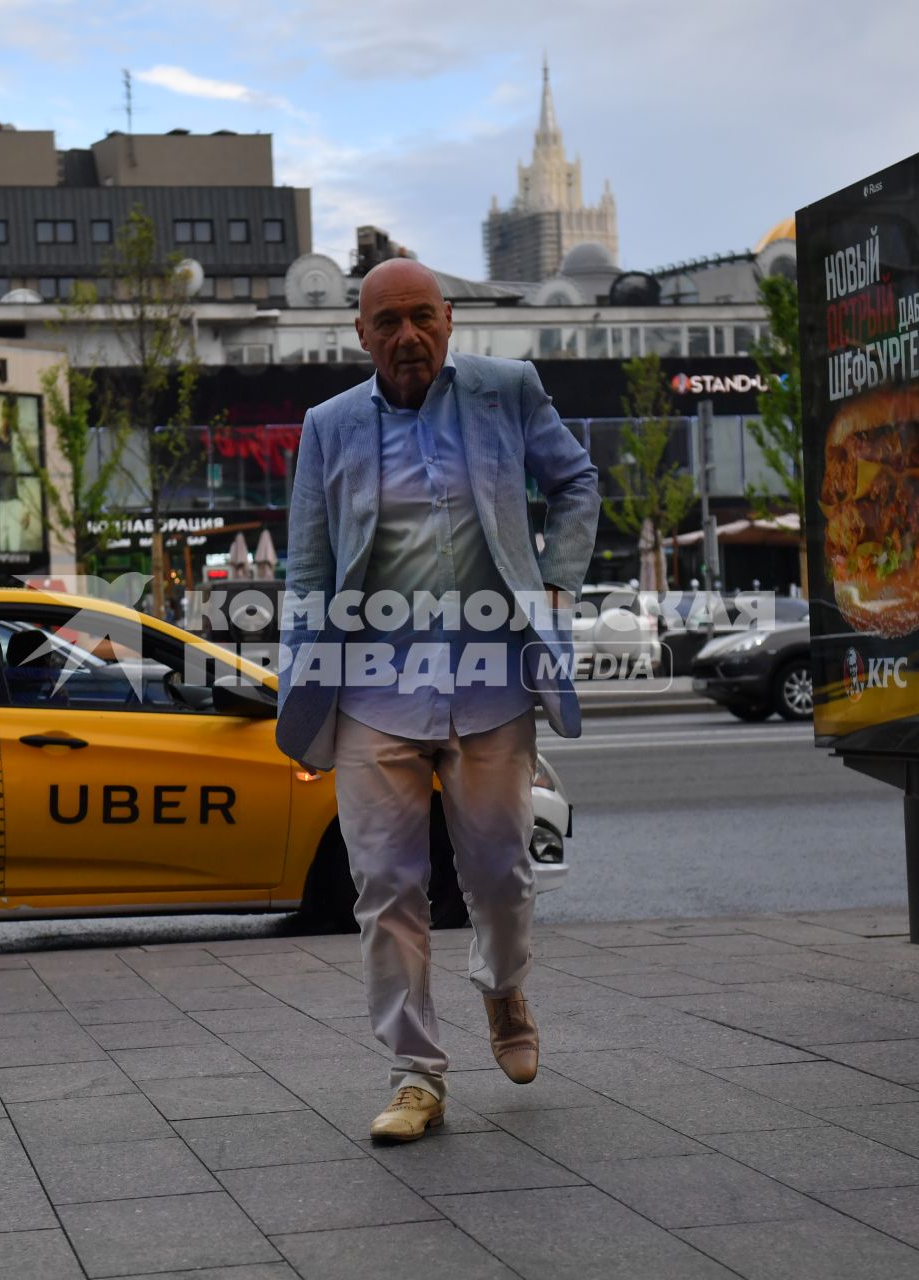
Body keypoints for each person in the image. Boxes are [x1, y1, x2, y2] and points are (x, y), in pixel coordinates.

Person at [277, 259, 599, 1142]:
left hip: (492, 683)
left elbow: (576, 484)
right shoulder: (329, 426)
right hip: (373, 691)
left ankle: (501, 987)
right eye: (387, 323)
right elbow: (306, 565)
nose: (407, 336)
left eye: (422, 317)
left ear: (450, 320)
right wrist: (298, 672)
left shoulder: (507, 391)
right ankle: (415, 1073)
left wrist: (558, 588)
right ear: (361, 334)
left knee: (500, 876)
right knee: (386, 886)